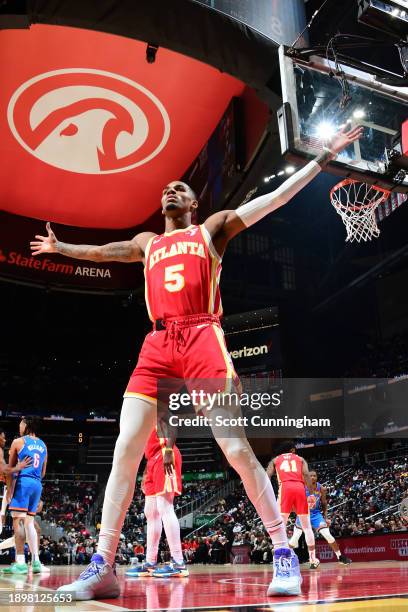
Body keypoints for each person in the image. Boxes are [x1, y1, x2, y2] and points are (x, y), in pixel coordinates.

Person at [30, 125, 362, 600]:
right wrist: (63, 249)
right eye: (166, 188)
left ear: (192, 205)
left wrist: (323, 157)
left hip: (204, 336)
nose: (170, 190)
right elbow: (104, 252)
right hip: (158, 345)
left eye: (180, 189)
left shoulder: (212, 230)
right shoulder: (147, 243)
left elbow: (275, 199)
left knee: (235, 448)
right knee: (126, 448)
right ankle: (102, 564)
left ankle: (283, 551)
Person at [125, 427, 188, 578]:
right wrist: (146, 471)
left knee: (165, 507)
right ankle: (150, 562)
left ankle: (179, 562)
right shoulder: (141, 414)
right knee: (151, 512)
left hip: (164, 453)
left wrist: (168, 451)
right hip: (152, 461)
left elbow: (172, 425)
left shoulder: (156, 406)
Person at [1, 417, 47, 574]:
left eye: (21, 423)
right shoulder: (43, 445)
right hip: (37, 484)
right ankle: (36, 562)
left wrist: (9, 490)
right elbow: (43, 472)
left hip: (23, 483)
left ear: (27, 425)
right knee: (29, 522)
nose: (19, 426)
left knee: (18, 521)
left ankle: (20, 562)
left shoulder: (18, 442)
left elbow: (10, 468)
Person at [267, 441, 319, 569]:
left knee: (281, 525)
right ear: (292, 450)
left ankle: (279, 555)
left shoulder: (275, 460)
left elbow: (266, 476)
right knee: (307, 527)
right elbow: (306, 474)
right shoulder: (300, 459)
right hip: (300, 488)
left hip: (285, 488)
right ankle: (313, 559)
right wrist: (311, 494)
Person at [289, 470, 352, 565]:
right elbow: (293, 503)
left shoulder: (321, 488)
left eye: (314, 475)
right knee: (295, 538)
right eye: (311, 476)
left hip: (316, 515)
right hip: (303, 514)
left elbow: (324, 503)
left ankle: (340, 557)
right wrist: (298, 511)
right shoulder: (301, 487)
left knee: (327, 534)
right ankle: (284, 557)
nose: (313, 477)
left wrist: (325, 517)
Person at [0, 428, 32, 538]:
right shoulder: (6, 451)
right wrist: (18, 467)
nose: (5, 440)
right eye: (3, 437)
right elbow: (7, 470)